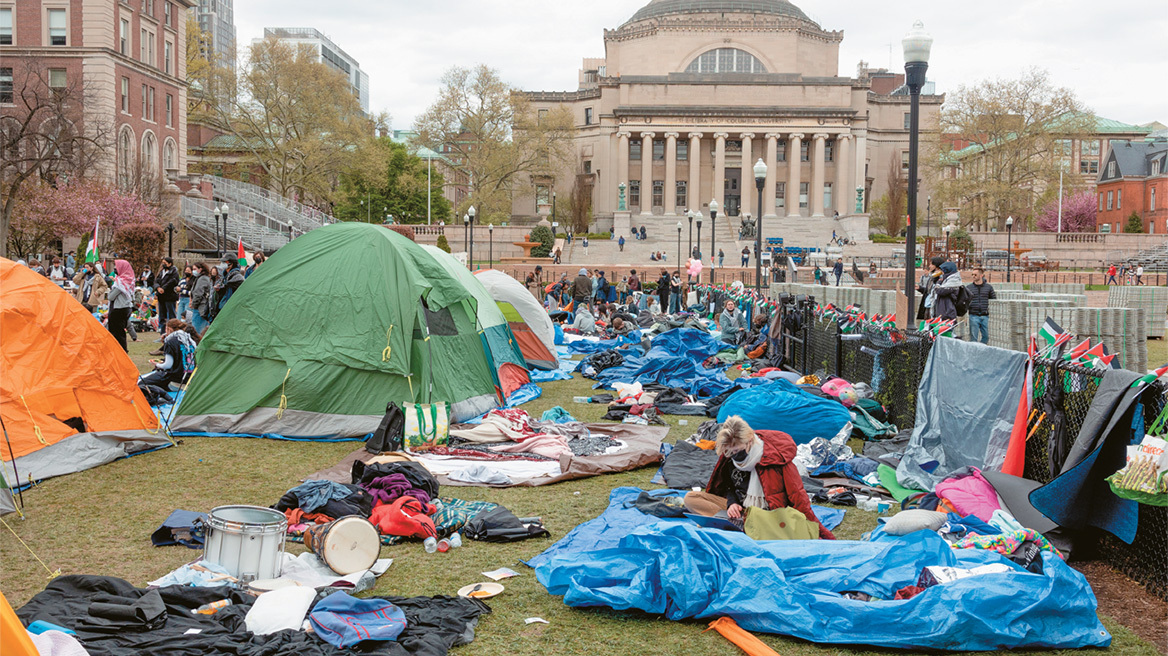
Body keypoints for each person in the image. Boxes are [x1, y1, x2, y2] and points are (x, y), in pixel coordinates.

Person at [683, 416, 834, 539]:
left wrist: (823, 535)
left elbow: (798, 498)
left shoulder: (775, 460)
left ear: (748, 442)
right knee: (691, 498)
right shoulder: (730, 458)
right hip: (741, 512)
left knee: (765, 522)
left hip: (768, 515)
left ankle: (739, 527)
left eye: (737, 450)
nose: (734, 455)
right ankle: (738, 525)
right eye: (729, 452)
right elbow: (728, 486)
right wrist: (732, 504)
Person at [139, 319, 200, 391]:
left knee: (141, 384)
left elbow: (168, 365)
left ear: (169, 329)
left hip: (175, 379)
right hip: (189, 377)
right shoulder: (189, 339)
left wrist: (157, 364)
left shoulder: (171, 341)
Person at [107, 259, 135, 351]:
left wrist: (109, 293)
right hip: (126, 307)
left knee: (117, 333)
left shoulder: (121, 283)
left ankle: (121, 351)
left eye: (116, 267)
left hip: (119, 309)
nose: (115, 269)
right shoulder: (129, 280)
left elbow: (111, 297)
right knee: (120, 332)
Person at [965, 267, 996, 345]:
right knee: (973, 338)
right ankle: (974, 352)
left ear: (981, 275)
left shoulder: (988, 287)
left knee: (986, 337)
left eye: (975, 274)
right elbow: (965, 301)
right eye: (972, 274)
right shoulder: (969, 288)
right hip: (973, 315)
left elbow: (994, 300)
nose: (973, 276)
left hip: (985, 316)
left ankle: (981, 350)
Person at [154, 256, 180, 330]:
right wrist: (158, 288)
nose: (163, 265)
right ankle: (162, 331)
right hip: (161, 297)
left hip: (170, 297)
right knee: (162, 316)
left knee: (171, 315)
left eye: (165, 263)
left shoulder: (174, 273)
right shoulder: (161, 272)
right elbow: (156, 281)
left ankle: (173, 330)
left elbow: (171, 282)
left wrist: (163, 288)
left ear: (170, 264)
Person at [189, 262, 214, 334]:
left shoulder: (202, 279)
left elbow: (198, 293)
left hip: (200, 308)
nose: (193, 271)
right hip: (202, 308)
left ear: (200, 269)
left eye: (194, 269)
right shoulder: (201, 278)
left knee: (197, 329)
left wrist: (194, 304)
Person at [917, 256, 944, 321]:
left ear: (937, 266)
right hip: (928, 306)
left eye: (931, 264)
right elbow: (929, 292)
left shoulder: (940, 278)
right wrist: (920, 288)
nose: (929, 266)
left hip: (934, 307)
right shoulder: (932, 277)